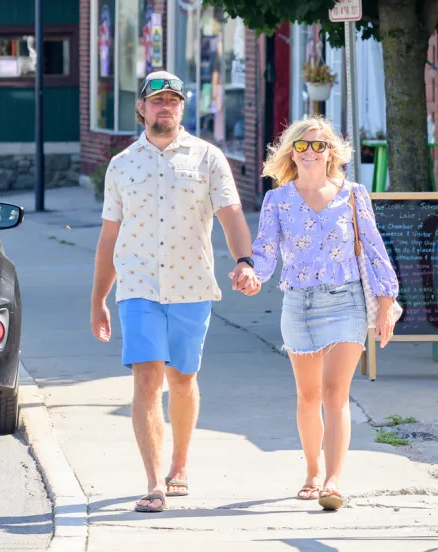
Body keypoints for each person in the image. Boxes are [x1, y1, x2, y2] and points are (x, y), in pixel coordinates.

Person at [90, 70, 259, 513]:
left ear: (182, 108)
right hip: (138, 287)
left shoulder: (208, 158)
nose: (166, 106)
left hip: (191, 286)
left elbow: (231, 215)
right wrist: (98, 301)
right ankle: (153, 482)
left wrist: (245, 261)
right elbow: (109, 239)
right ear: (141, 108)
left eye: (173, 100)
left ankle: (179, 465)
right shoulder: (121, 165)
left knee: (182, 380)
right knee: (146, 379)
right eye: (157, 100)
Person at [242, 116, 400, 511]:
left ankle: (333, 480)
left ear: (332, 153)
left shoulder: (353, 194)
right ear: (290, 152)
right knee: (308, 395)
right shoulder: (277, 199)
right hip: (298, 301)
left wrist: (385, 301)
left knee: (335, 392)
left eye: (319, 145)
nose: (311, 152)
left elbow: (375, 249)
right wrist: (251, 273)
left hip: (345, 299)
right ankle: (312, 472)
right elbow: (265, 250)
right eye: (302, 145)